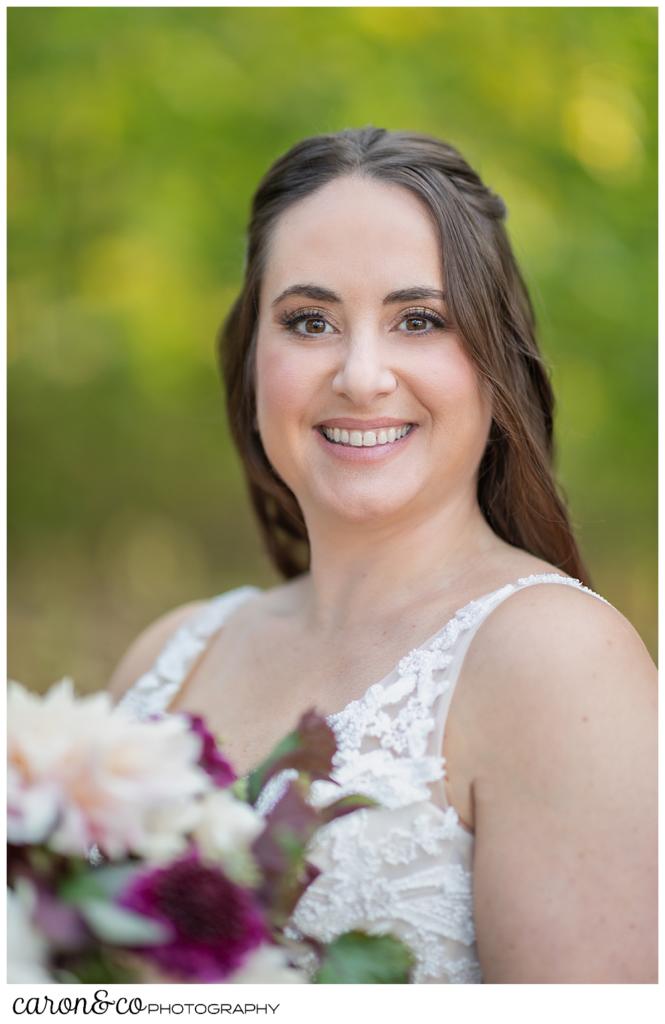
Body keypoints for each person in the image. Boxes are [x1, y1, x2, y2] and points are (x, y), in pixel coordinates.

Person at [108, 127, 657, 983]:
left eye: (419, 320)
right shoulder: (166, 654)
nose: (361, 376)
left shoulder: (557, 663)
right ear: (254, 355)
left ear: (494, 359)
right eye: (310, 320)